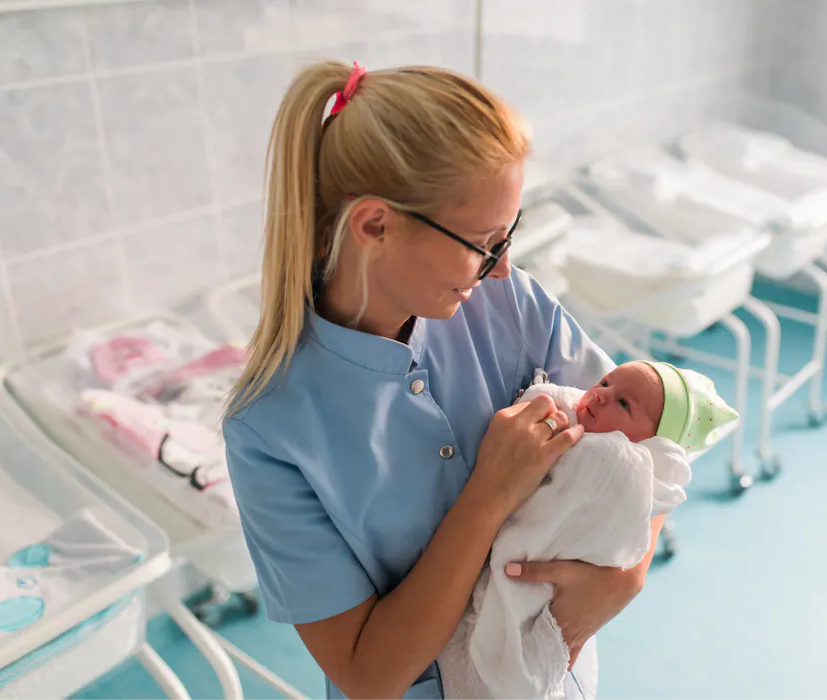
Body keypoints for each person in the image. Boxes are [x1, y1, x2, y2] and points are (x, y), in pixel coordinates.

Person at [222, 60, 667, 700]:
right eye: (484, 243)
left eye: (509, 234)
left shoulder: (511, 303)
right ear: (374, 225)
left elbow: (653, 446)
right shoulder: (269, 428)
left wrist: (624, 580)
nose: (501, 267)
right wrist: (489, 494)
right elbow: (369, 675)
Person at [439, 362, 738, 699]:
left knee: (505, 654)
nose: (600, 395)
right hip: (497, 573)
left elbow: (627, 509)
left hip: (543, 588)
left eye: (623, 403)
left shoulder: (619, 465)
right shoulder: (576, 414)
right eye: (606, 383)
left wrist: (625, 582)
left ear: (653, 446)